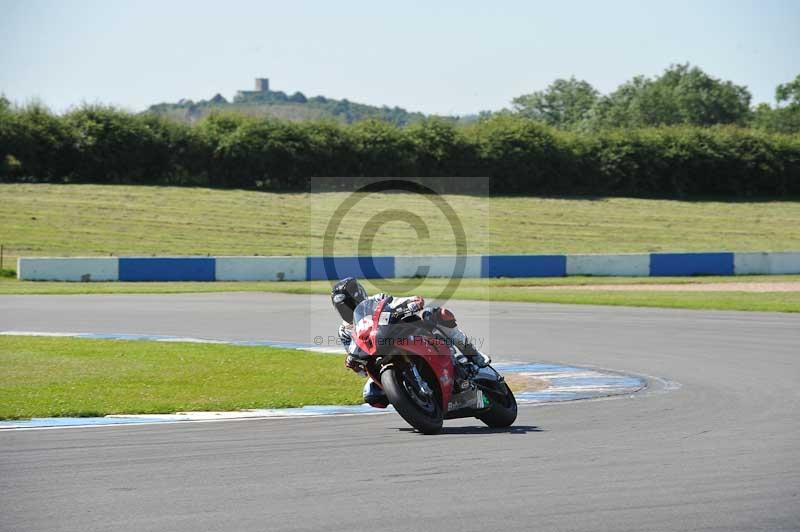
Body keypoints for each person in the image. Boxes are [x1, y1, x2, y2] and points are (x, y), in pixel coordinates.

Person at [330, 277, 490, 408]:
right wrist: (354, 364)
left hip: (402, 336)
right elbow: (355, 355)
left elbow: (399, 302)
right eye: (342, 307)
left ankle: (473, 354)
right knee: (371, 395)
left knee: (436, 314)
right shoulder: (344, 331)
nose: (347, 309)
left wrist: (411, 302)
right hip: (378, 358)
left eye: (349, 303)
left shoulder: (377, 300)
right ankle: (411, 400)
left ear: (359, 295)